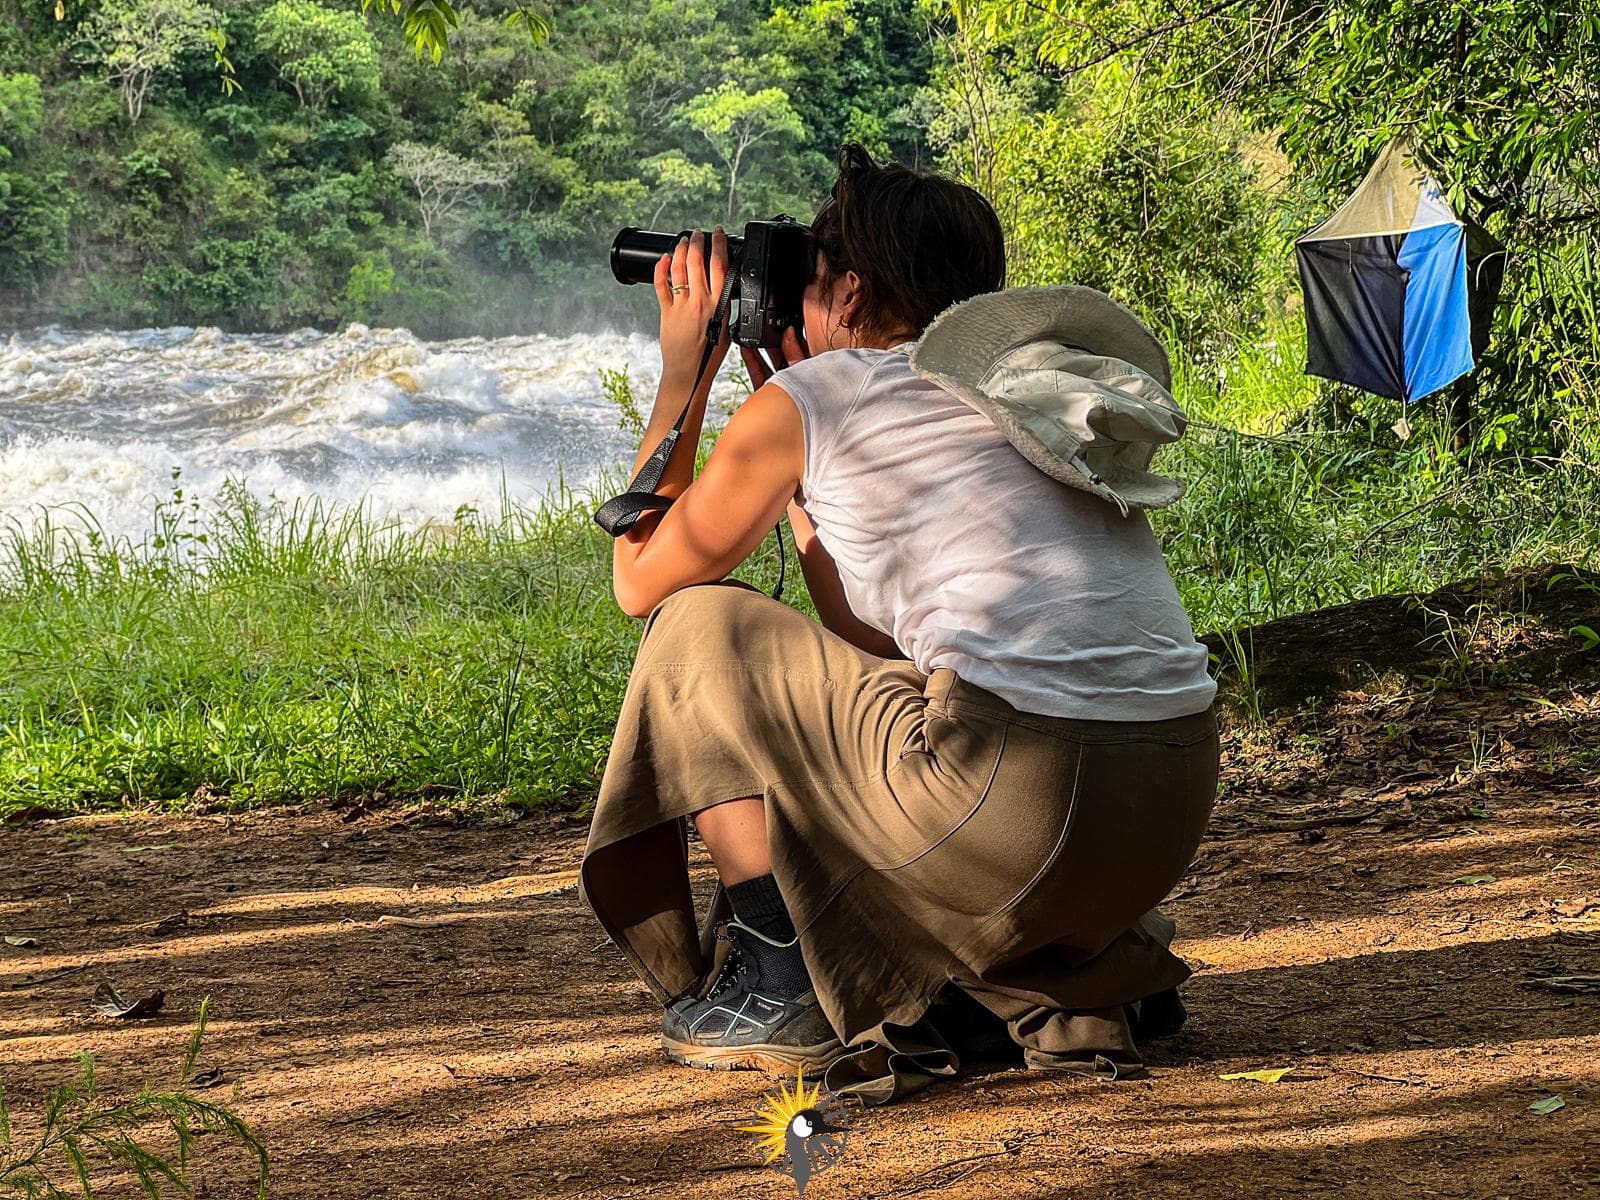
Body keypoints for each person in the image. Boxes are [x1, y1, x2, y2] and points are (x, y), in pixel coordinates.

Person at [579, 144, 1219, 1105]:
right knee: (907, 684)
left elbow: (642, 580)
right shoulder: (1023, 393)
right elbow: (876, 637)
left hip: (1015, 802)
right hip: (1165, 808)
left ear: (845, 288)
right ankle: (1077, 969)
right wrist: (803, 480)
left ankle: (780, 977)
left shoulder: (817, 397)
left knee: (695, 625)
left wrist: (688, 369)